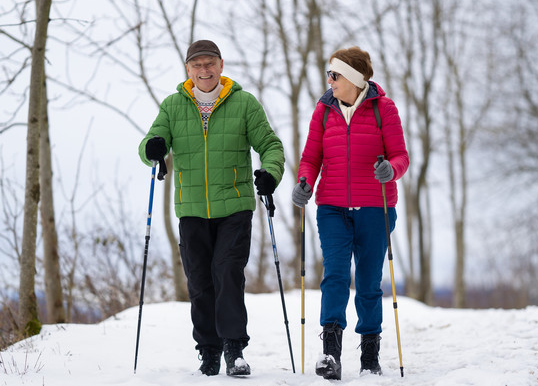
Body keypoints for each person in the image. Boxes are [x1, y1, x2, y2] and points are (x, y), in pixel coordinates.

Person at [138, 39, 284, 377]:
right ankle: (208, 350)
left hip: (235, 205)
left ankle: (234, 349)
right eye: (197, 65)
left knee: (227, 273)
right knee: (200, 281)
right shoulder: (173, 106)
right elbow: (149, 144)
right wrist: (153, 147)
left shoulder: (244, 103)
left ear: (220, 65)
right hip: (191, 209)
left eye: (210, 64)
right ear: (188, 70)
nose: (204, 71)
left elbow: (270, 145)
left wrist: (270, 173)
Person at [292, 46, 409, 380]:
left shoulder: (383, 110)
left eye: (335, 75)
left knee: (369, 283)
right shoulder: (324, 110)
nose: (329, 81)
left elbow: (400, 155)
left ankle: (370, 355)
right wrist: (304, 181)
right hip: (332, 208)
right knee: (336, 276)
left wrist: (391, 170)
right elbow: (311, 157)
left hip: (375, 208)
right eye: (329, 74)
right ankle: (330, 353)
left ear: (355, 79)